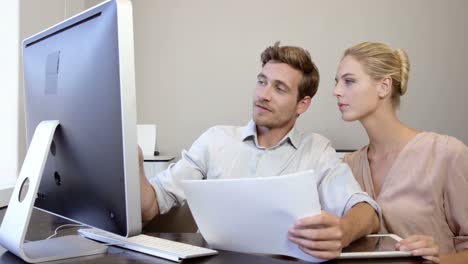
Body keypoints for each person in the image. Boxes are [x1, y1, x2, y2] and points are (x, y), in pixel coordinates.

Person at [139, 42, 380, 260]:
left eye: (280, 88)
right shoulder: (215, 141)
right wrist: (134, 160)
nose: (263, 95)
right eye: (262, 81)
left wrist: (344, 231)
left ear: (302, 104)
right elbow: (150, 204)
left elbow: (367, 212)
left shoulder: (317, 151)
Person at [334, 41, 468, 263]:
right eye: (337, 82)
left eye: (349, 81)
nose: (336, 91)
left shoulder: (446, 154)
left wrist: (439, 260)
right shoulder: (348, 166)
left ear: (384, 86)